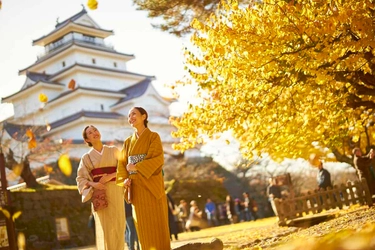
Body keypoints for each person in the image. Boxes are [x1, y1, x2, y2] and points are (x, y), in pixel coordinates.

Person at [116, 107, 170, 250]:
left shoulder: (153, 137)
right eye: (129, 116)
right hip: (137, 189)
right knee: (143, 226)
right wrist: (124, 180)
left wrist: (137, 167)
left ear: (144, 116)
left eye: (134, 114)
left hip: (152, 187)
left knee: (157, 224)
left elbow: (157, 159)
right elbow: (122, 165)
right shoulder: (127, 142)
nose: (130, 117)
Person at [76, 125, 125, 250]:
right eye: (90, 133)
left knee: (119, 224)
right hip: (99, 193)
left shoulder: (113, 150)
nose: (94, 133)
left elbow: (124, 168)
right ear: (87, 140)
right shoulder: (86, 158)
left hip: (115, 190)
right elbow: (80, 178)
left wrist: (110, 176)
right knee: (105, 227)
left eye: (95, 130)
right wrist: (93, 184)